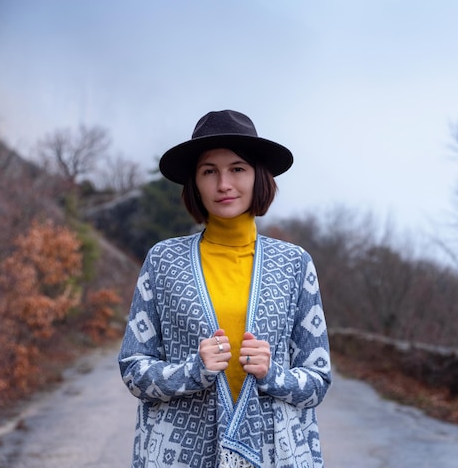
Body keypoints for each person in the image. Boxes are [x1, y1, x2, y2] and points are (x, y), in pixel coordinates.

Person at [118, 109, 332, 468]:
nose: (223, 184)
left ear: (258, 176)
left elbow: (318, 380)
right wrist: (192, 370)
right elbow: (133, 369)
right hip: (179, 456)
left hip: (275, 453)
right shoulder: (163, 261)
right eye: (208, 171)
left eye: (237, 169)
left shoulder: (294, 264)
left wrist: (272, 372)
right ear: (195, 184)